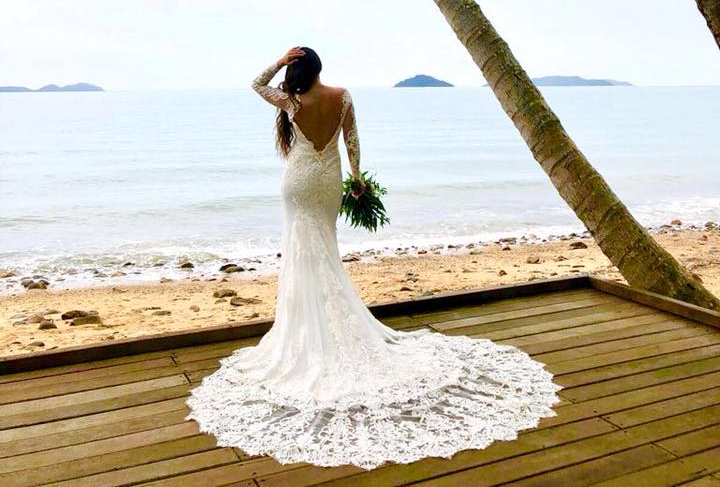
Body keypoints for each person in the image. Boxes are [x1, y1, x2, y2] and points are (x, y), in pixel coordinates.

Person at [186, 46, 563, 470]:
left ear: (297, 71)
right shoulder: (342, 96)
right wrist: (357, 179)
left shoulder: (292, 102)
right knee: (324, 248)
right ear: (320, 68)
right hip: (328, 182)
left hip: (297, 183)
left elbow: (256, 85)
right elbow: (352, 142)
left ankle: (308, 324)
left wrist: (278, 62)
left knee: (302, 252)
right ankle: (326, 321)